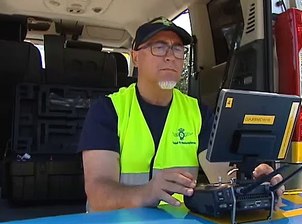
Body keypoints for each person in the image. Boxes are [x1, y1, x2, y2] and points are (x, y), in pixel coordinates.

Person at [78, 16, 284, 212]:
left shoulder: (198, 112)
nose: (170, 56)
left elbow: (223, 176)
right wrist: (147, 192)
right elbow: (98, 193)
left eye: (177, 49)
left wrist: (255, 179)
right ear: (135, 57)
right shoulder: (107, 111)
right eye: (159, 47)